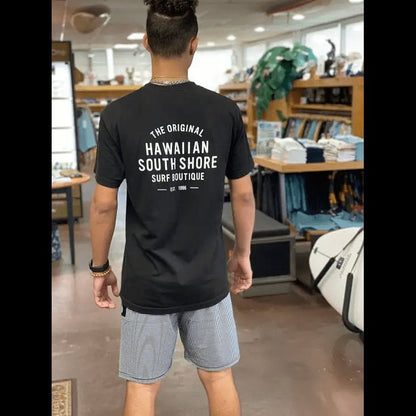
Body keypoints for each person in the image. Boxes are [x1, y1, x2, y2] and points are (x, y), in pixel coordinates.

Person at [88, 1, 255, 415]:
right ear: (193, 44)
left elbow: (104, 205)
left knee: (143, 388)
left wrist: (99, 267)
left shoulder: (118, 115)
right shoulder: (224, 111)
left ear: (146, 43)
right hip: (207, 278)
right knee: (219, 377)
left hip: (147, 282)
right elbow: (244, 195)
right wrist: (243, 254)